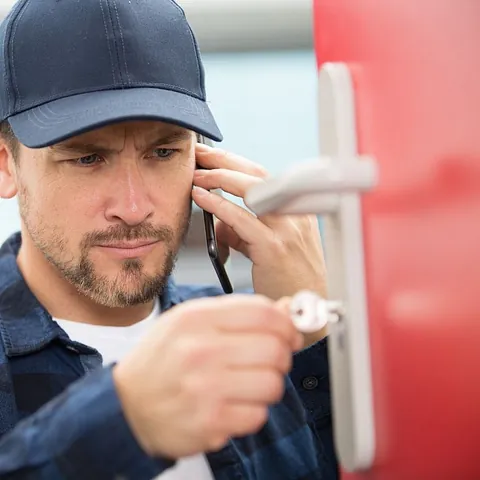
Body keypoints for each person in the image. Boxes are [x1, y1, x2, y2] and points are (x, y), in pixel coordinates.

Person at [0, 0, 338, 478]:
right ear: (5, 164)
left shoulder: (265, 336)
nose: (134, 207)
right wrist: (121, 422)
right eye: (87, 159)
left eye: (163, 151)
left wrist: (314, 340)